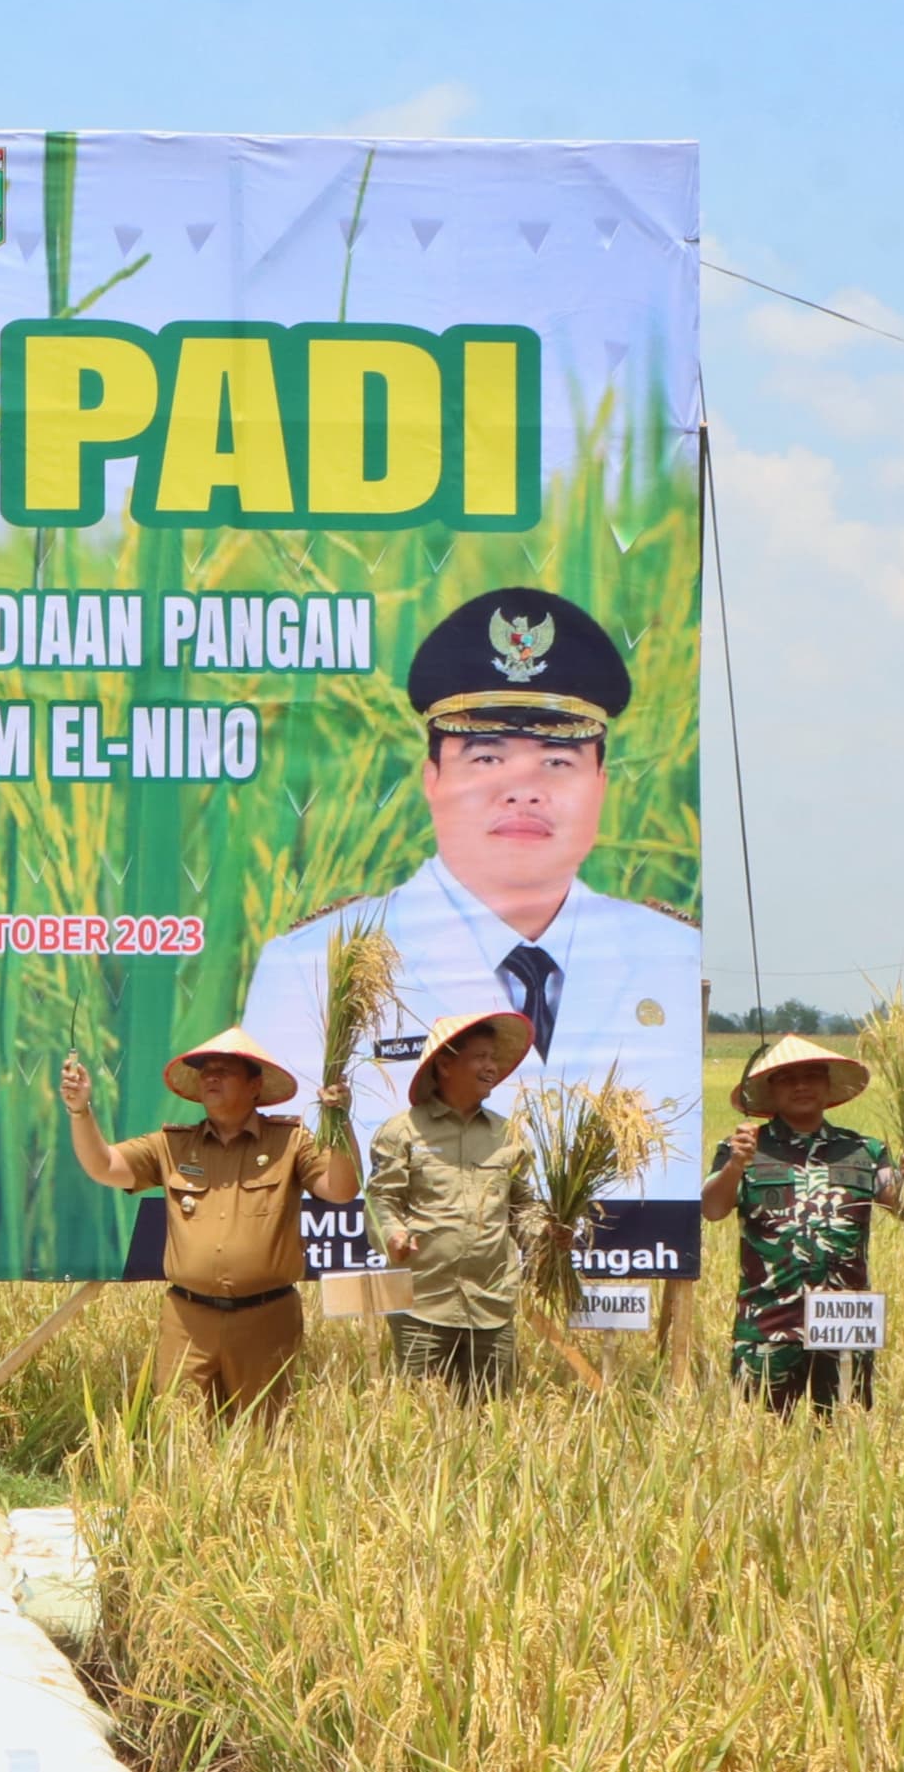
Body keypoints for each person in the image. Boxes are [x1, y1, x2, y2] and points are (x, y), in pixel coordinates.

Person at [236, 585, 704, 1248]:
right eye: (485, 757)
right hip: (394, 1317)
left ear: (601, 785)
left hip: (613, 1318)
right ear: (431, 778)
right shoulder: (314, 964)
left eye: (558, 761)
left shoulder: (675, 956)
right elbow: (274, 1189)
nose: (522, 787)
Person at [60, 1028, 356, 1421]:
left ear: (254, 1086)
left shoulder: (291, 1143)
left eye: (224, 1070)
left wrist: (340, 1120)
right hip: (188, 1320)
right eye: (205, 1070)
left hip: (265, 1321)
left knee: (259, 1442)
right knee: (178, 1435)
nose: (211, 1076)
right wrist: (81, 1111)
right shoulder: (171, 1145)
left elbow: (340, 1189)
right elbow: (104, 1166)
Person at [705, 1033, 904, 1414]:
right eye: (788, 1078)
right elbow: (712, 1208)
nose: (801, 1086)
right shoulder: (741, 1148)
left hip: (845, 1322)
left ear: (828, 1086)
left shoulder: (864, 1151)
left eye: (811, 1076)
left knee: (845, 1434)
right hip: (769, 1322)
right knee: (760, 1446)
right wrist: (736, 1165)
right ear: (770, 1090)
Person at [360, 1007, 537, 1398]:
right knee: (421, 1425)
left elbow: (523, 1207)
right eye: (480, 1057)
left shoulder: (507, 1136)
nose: (491, 1067)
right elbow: (381, 1202)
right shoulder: (402, 1132)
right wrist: (393, 1235)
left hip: (492, 1305)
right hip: (422, 1305)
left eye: (494, 1058)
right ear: (444, 1064)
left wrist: (544, 1235)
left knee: (491, 1425)